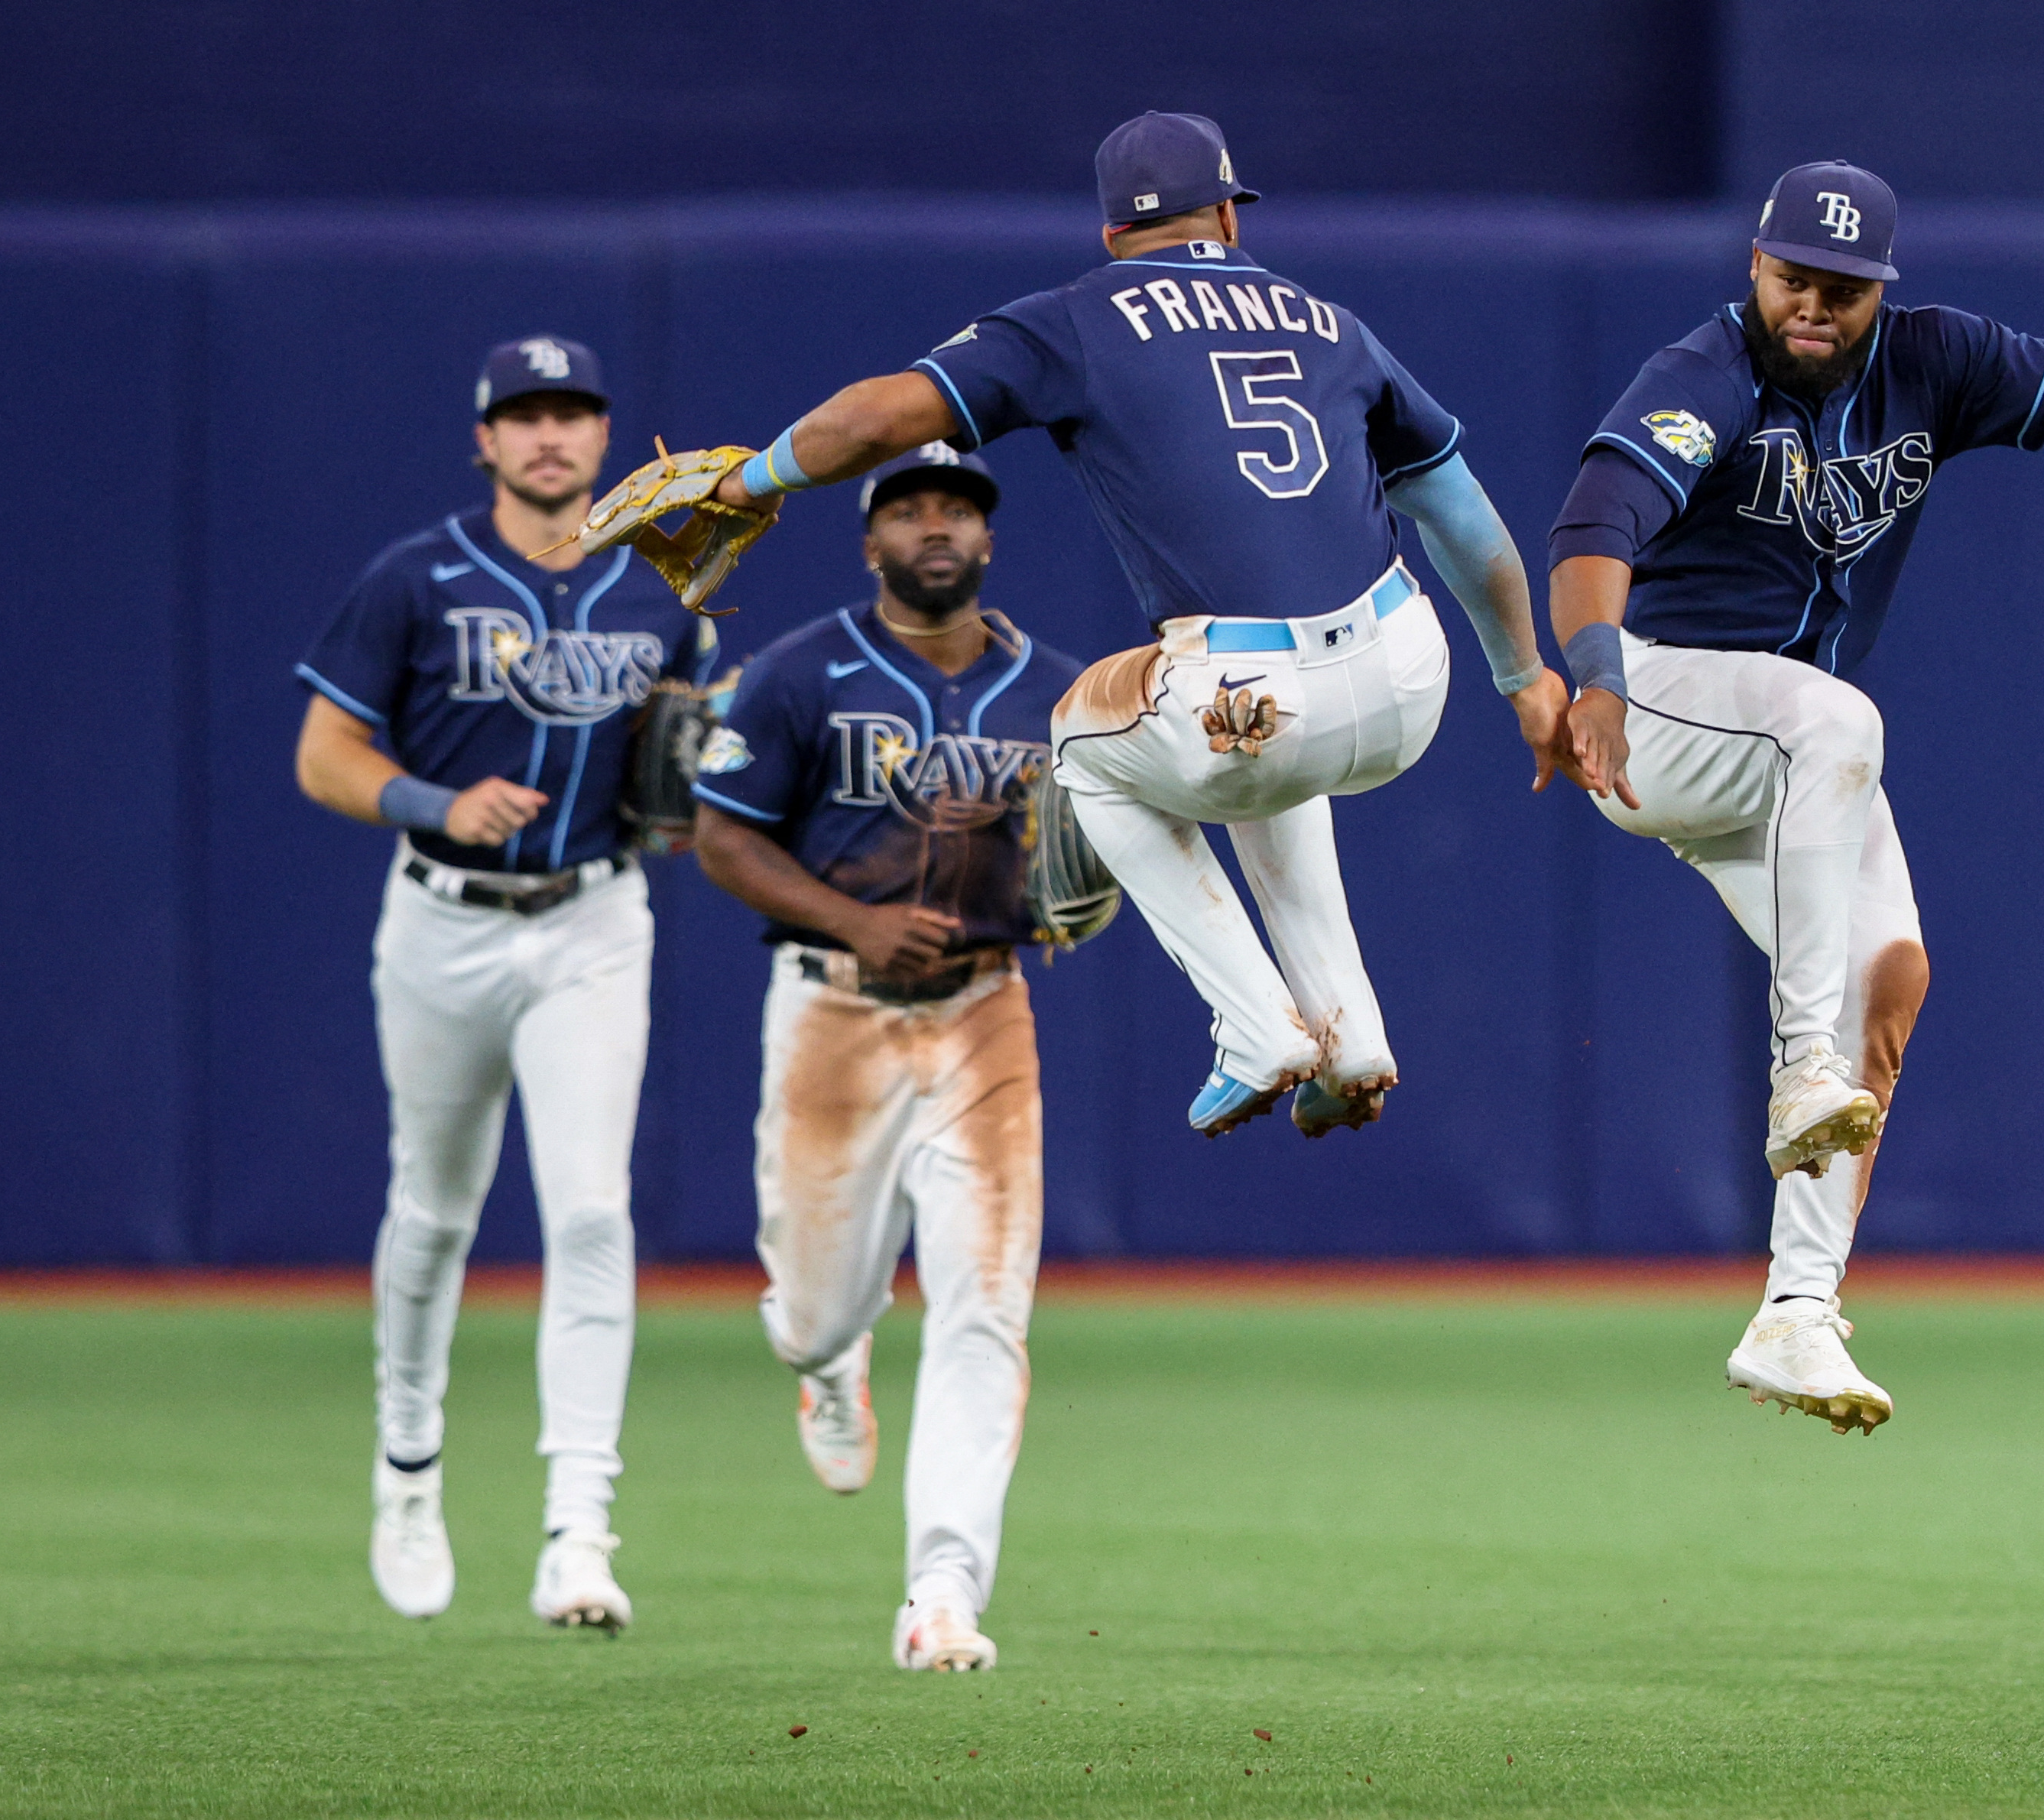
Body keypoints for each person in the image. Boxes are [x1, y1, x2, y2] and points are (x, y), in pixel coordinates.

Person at [1546, 162, 2044, 1434]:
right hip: (1654, 707)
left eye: (1843, 288)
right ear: (1753, 270)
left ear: (1882, 291)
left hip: (1779, 755)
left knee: (1893, 977)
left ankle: (1796, 1313)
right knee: (1842, 720)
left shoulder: (1936, 363)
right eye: (1791, 279)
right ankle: (1797, 1065)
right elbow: (1595, 529)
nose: (1813, 305)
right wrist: (1592, 677)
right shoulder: (1702, 377)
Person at [700, 110, 1569, 1140]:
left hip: (1249, 696)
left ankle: (1255, 1028)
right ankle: (1351, 1030)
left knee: (1083, 740)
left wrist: (751, 481)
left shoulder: (1077, 316)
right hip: (1406, 673)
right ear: (1230, 219)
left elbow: (876, 423)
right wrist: (1525, 679)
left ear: (1112, 235)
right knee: (1263, 761)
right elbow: (1471, 530)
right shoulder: (1331, 323)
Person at [293, 335, 719, 1630]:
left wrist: (700, 777)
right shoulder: (414, 578)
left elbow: (682, 780)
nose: (550, 435)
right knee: (432, 1212)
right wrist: (435, 798)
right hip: (442, 924)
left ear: (603, 438)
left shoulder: (663, 595)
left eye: (573, 413)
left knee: (591, 1213)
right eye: (523, 416)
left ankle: (578, 1530)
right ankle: (408, 1467)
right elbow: (323, 754)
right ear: (485, 439)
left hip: (592, 921)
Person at [689, 446, 1080, 1673]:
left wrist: (1086, 886)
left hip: (984, 1012)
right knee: (813, 1307)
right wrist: (853, 918)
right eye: (908, 508)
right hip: (833, 1009)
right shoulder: (800, 672)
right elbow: (719, 834)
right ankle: (828, 1358)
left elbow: (1109, 846)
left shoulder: (1057, 692)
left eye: (956, 507)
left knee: (985, 1311)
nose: (934, 526)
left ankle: (943, 1592)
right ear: (870, 540)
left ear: (988, 536)